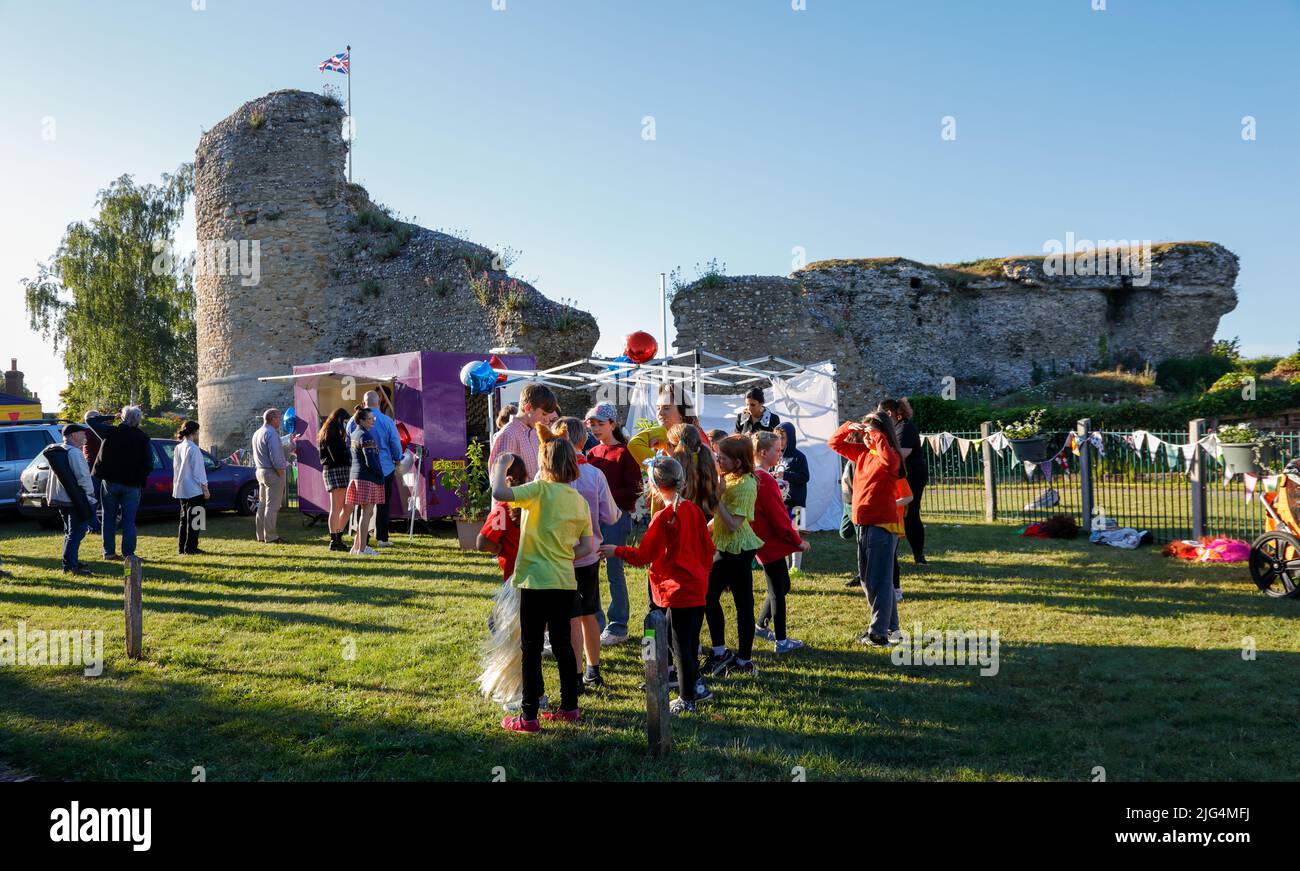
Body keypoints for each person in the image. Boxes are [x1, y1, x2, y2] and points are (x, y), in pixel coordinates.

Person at [490, 438, 594, 733]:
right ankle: (570, 708)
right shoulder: (579, 501)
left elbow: (499, 492)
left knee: (531, 647)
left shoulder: (537, 491)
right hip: (563, 580)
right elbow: (587, 546)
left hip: (534, 581)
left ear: (544, 464)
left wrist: (500, 466)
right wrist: (563, 555)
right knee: (563, 646)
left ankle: (529, 716)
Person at [600, 456, 715, 715]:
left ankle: (687, 699)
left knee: (681, 646)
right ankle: (696, 687)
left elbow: (643, 556)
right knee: (687, 643)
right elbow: (708, 548)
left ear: (652, 486)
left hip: (677, 591)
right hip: (696, 586)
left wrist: (616, 550)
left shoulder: (664, 516)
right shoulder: (694, 510)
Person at [550, 418, 619, 691]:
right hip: (588, 554)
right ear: (582, 441)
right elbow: (610, 515)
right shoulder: (595, 474)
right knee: (590, 614)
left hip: (558, 555)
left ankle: (575, 674)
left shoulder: (546, 478)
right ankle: (593, 669)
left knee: (569, 618)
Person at [829, 412, 902, 647]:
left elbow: (890, 463)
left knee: (876, 581)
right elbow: (834, 443)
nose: (868, 439)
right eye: (866, 435)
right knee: (875, 580)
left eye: (872, 435)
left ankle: (878, 633)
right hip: (863, 523)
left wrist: (877, 436)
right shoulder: (862, 454)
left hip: (881, 525)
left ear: (882, 434)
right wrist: (851, 427)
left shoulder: (889, 456)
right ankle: (891, 628)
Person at [702, 435, 765, 677]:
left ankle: (743, 659)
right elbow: (718, 519)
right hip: (724, 546)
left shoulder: (747, 485)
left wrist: (718, 498)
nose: (718, 459)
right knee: (709, 597)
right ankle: (722, 652)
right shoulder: (729, 477)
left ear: (738, 462)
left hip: (737, 549)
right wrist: (701, 529)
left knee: (741, 602)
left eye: (723, 457)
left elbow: (732, 524)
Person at [584, 402, 641, 646]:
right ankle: (594, 623)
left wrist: (606, 497)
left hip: (616, 519)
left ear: (613, 425)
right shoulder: (591, 453)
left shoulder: (625, 453)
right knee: (590, 571)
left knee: (614, 571)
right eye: (592, 424)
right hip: (591, 520)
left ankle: (618, 626)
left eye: (600, 424)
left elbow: (634, 489)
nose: (595, 428)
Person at [751, 431, 811, 652]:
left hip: (766, 540)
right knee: (778, 590)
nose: (780, 453)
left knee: (782, 585)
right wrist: (798, 542)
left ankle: (760, 625)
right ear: (764, 452)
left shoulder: (759, 475)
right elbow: (779, 518)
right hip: (770, 542)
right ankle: (782, 641)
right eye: (777, 450)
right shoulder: (764, 478)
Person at [92, 405, 153, 562]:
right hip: (132, 484)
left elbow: (90, 420)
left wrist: (112, 416)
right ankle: (128, 553)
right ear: (138, 420)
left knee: (108, 518)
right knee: (129, 521)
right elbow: (148, 464)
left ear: (123, 418)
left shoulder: (111, 432)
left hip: (110, 481)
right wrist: (140, 478)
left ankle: (109, 552)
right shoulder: (143, 438)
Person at [345, 390, 403, 548]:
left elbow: (348, 443)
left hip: (361, 469)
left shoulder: (353, 421)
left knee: (361, 505)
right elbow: (395, 443)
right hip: (384, 468)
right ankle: (382, 538)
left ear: (363, 403)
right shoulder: (386, 420)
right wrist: (398, 458)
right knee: (383, 504)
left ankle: (361, 540)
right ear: (379, 403)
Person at [44, 423, 97, 575]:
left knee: (70, 532)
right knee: (77, 533)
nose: (85, 436)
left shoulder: (58, 450)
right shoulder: (74, 452)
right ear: (73, 436)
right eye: (82, 433)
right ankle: (70, 566)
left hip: (61, 498)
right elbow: (83, 476)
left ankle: (71, 561)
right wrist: (90, 494)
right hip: (76, 499)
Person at [884, 397, 928, 565]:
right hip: (900, 476)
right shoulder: (893, 428)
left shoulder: (905, 427)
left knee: (911, 514)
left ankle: (919, 556)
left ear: (889, 413)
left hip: (912, 476)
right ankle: (891, 554)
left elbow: (903, 452)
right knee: (897, 513)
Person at [488, 384, 559, 483]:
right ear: (528, 408)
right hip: (519, 498)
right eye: (544, 414)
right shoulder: (508, 435)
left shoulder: (534, 432)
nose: (546, 420)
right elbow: (497, 481)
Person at [627, 383, 712, 465]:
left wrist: (666, 466)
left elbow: (703, 469)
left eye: (666, 408)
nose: (660, 413)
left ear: (681, 413)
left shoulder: (696, 434)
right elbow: (633, 444)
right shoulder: (662, 436)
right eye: (658, 408)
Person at [477, 454, 528, 580]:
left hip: (515, 577)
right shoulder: (536, 500)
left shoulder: (502, 508)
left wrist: (497, 548)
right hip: (544, 574)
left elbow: (482, 543)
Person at [346, 407, 384, 556]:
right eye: (370, 418)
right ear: (361, 420)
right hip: (367, 478)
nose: (373, 420)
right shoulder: (366, 436)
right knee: (366, 514)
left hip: (357, 476)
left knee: (363, 514)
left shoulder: (355, 433)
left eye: (373, 418)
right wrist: (380, 474)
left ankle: (356, 547)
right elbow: (371, 461)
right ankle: (362, 549)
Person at [775, 422, 810, 573]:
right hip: (779, 503)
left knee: (796, 532)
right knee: (782, 534)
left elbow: (804, 477)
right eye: (777, 437)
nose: (779, 441)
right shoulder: (775, 455)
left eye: (782, 437)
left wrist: (785, 475)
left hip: (796, 503)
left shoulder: (798, 457)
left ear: (791, 438)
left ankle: (796, 567)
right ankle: (783, 565)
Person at [172, 420, 210, 555]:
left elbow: (176, 469)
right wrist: (205, 488)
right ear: (194, 432)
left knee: (184, 519)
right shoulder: (194, 449)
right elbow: (198, 472)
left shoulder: (178, 447)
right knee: (196, 519)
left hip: (182, 487)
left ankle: (182, 547)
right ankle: (192, 547)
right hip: (194, 488)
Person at [251, 408, 288, 544]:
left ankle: (260, 535)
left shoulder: (257, 433)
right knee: (272, 506)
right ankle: (271, 536)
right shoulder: (271, 433)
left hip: (260, 471)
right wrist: (280, 471)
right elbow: (276, 456)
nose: (280, 420)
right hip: (272, 472)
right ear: (273, 419)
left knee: (262, 504)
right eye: (279, 418)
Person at [317, 408, 352, 552]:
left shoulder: (330, 432)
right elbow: (335, 455)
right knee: (337, 507)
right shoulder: (330, 434)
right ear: (339, 419)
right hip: (335, 469)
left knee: (347, 507)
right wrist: (348, 452)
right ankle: (334, 540)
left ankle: (338, 536)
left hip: (338, 469)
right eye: (344, 421)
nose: (345, 424)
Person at [82, 409, 111, 534]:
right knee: (99, 499)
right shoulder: (92, 432)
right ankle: (95, 525)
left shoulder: (89, 432)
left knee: (92, 499)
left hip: (94, 470)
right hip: (99, 469)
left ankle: (93, 526)